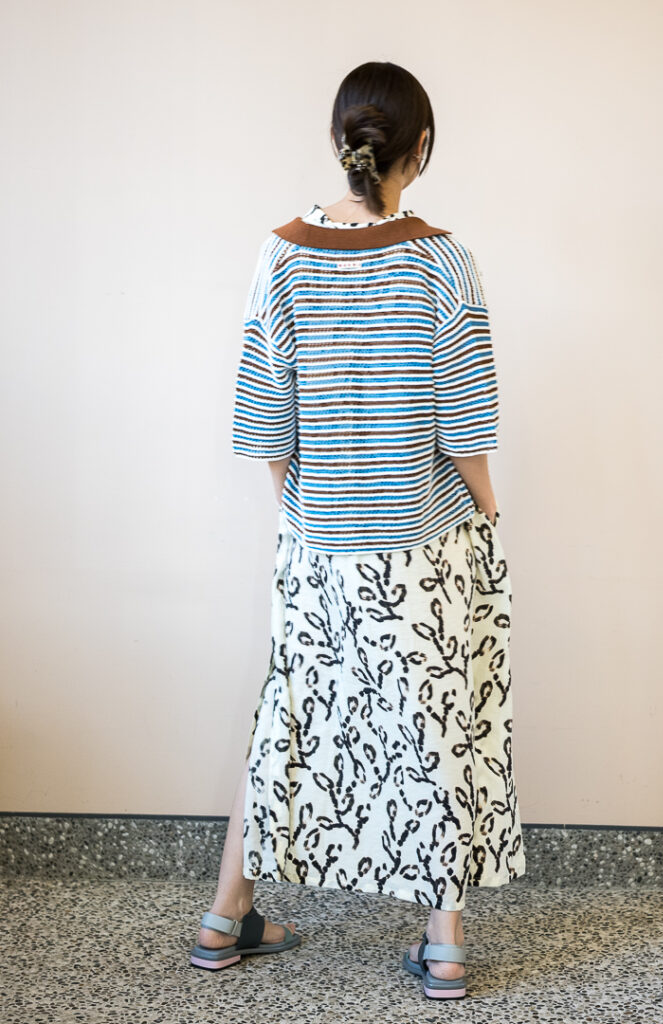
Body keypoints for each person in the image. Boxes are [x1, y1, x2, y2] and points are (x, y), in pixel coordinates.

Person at [189, 60, 526, 1001]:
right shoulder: (443, 259)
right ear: (420, 150)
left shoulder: (280, 254)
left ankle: (223, 919)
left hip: (317, 539)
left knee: (288, 713)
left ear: (340, 144)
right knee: (434, 718)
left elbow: (265, 425)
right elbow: (465, 428)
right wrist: (489, 514)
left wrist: (311, 516)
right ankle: (444, 943)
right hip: (425, 544)